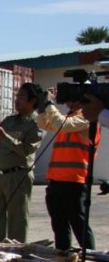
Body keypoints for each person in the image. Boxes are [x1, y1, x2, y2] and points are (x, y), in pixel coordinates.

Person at [0, 83, 44, 242]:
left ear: (33, 100)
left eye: (21, 97)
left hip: (18, 175)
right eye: (16, 97)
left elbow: (26, 150)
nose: (17, 100)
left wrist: (3, 136)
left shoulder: (37, 123)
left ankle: (15, 255)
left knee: (17, 218)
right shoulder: (9, 121)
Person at [39, 94, 98, 249]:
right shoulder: (67, 118)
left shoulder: (86, 119)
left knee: (79, 224)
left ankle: (91, 259)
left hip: (74, 181)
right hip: (56, 181)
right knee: (60, 226)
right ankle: (63, 257)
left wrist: (49, 104)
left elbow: (61, 124)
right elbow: (44, 124)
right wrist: (41, 107)